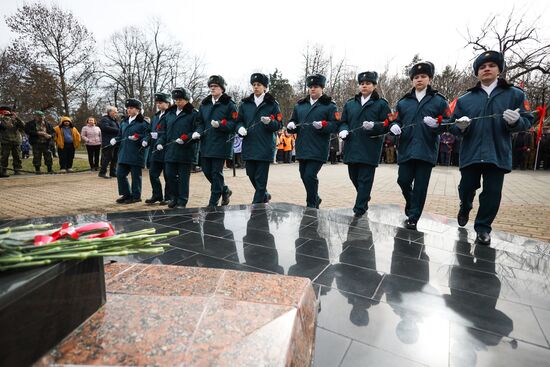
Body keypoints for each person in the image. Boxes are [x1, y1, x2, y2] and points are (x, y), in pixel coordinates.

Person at [450, 50, 533, 245]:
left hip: (497, 152)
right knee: (466, 187)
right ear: (477, 73)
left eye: (491, 66)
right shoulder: (465, 99)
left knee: (492, 193)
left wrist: (516, 122)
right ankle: (465, 204)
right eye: (482, 67)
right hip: (471, 152)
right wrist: (459, 127)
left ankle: (483, 228)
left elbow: (528, 121)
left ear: (499, 70)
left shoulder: (515, 94)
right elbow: (451, 124)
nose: (486, 69)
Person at [389, 61, 450, 230]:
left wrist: (438, 124)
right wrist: (393, 127)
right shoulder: (403, 102)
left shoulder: (439, 101)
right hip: (406, 147)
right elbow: (397, 120)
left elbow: (449, 121)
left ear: (429, 79)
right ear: (411, 80)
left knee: (421, 186)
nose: (419, 80)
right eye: (416, 77)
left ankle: (413, 217)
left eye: (423, 76)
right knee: (403, 180)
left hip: (426, 148)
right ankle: (411, 203)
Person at [338, 71, 392, 217]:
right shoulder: (350, 104)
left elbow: (388, 124)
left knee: (365, 179)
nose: (364, 86)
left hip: (370, 147)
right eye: (362, 84)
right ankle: (364, 196)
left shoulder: (381, 104)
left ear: (374, 85)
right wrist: (343, 130)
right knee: (353, 176)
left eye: (368, 83)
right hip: (352, 146)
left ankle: (359, 208)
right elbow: (344, 122)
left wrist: (375, 126)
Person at [287, 74, 340, 208]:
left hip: (318, 147)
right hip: (303, 146)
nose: (312, 89)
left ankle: (311, 203)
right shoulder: (300, 105)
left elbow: (335, 125)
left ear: (322, 88)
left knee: (310, 175)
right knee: (303, 175)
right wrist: (291, 125)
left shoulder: (329, 106)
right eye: (310, 87)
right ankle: (315, 198)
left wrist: (323, 125)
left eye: (315, 87)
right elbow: (293, 120)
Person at [235, 73, 282, 204]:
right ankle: (264, 195)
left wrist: (269, 123)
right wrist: (240, 128)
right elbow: (238, 121)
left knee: (261, 178)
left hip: (264, 145)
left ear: (265, 87)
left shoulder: (272, 104)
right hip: (249, 144)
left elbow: (279, 124)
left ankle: (256, 204)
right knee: (250, 173)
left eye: (259, 85)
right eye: (254, 85)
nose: (256, 87)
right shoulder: (245, 104)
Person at [193, 75, 237, 208]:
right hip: (207, 143)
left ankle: (213, 202)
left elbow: (234, 123)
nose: (212, 88)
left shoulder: (229, 104)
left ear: (222, 88)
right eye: (211, 86)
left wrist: (221, 125)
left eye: (215, 86)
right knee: (206, 171)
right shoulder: (205, 104)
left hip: (221, 143)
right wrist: (198, 132)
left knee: (216, 173)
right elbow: (200, 122)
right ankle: (225, 190)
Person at [157, 87, 198, 209]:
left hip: (185, 151)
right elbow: (163, 131)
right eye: (176, 100)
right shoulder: (169, 114)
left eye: (180, 100)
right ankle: (173, 197)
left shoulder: (193, 114)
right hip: (170, 151)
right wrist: (160, 142)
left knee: (183, 178)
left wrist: (186, 138)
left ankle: (182, 200)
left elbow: (196, 130)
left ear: (187, 100)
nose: (178, 102)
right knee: (169, 175)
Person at [111, 98, 149, 204]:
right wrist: (115, 139)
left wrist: (140, 138)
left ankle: (136, 196)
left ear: (138, 110)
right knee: (120, 174)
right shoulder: (124, 122)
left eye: (131, 108)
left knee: (136, 176)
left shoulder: (143, 123)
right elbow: (120, 135)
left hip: (136, 153)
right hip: (124, 153)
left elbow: (147, 136)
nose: (128, 110)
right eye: (127, 108)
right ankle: (126, 194)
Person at [143, 92, 172, 205]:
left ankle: (168, 197)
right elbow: (150, 130)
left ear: (167, 103)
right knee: (153, 174)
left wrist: (159, 136)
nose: (158, 105)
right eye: (157, 103)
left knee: (168, 175)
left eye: (160, 103)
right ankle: (157, 195)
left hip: (166, 149)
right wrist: (147, 139)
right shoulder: (156, 116)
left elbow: (169, 132)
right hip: (155, 149)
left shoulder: (170, 115)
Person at [0, 106, 25, 177]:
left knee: (17, 156)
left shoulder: (15, 119)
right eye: (5, 112)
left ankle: (17, 170)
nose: (7, 114)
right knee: (4, 157)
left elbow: (23, 126)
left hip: (16, 141)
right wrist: (9, 120)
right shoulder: (1, 120)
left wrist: (17, 118)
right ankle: (3, 170)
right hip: (6, 141)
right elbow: (5, 126)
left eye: (8, 112)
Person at [98, 106, 120, 178]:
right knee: (108, 157)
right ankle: (102, 172)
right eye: (115, 112)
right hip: (108, 141)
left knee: (115, 157)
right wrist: (118, 130)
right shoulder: (105, 119)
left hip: (116, 141)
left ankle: (113, 172)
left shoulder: (115, 120)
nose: (116, 113)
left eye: (116, 112)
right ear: (110, 112)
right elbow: (105, 128)